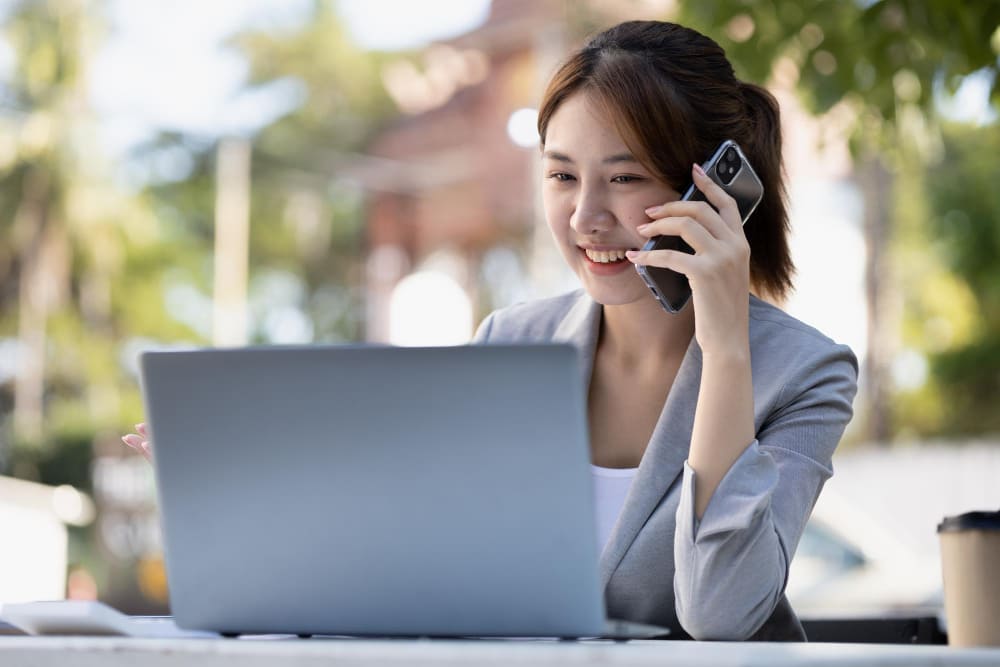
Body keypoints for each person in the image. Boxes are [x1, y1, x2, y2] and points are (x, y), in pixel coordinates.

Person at [125, 20, 858, 641]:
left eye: (626, 178)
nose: (584, 217)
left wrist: (725, 347)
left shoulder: (806, 371)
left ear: (712, 190)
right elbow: (408, 559)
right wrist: (239, 479)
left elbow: (722, 615)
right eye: (562, 176)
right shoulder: (513, 342)